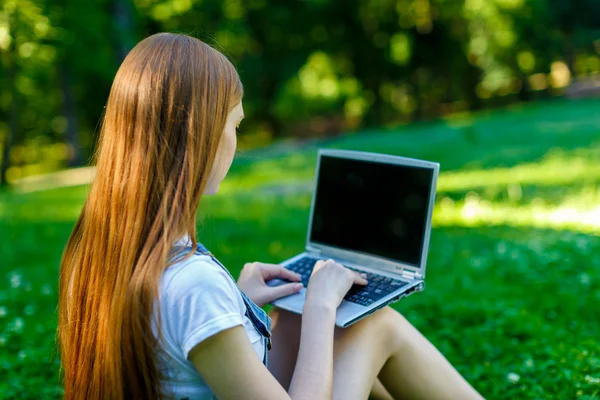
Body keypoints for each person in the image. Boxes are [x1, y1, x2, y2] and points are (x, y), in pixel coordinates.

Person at [57, 32, 484, 400]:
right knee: (376, 327)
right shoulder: (192, 285)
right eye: (235, 125)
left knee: (292, 320)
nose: (235, 143)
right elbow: (192, 304)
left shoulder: (95, 257)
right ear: (199, 135)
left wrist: (239, 306)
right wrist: (318, 305)